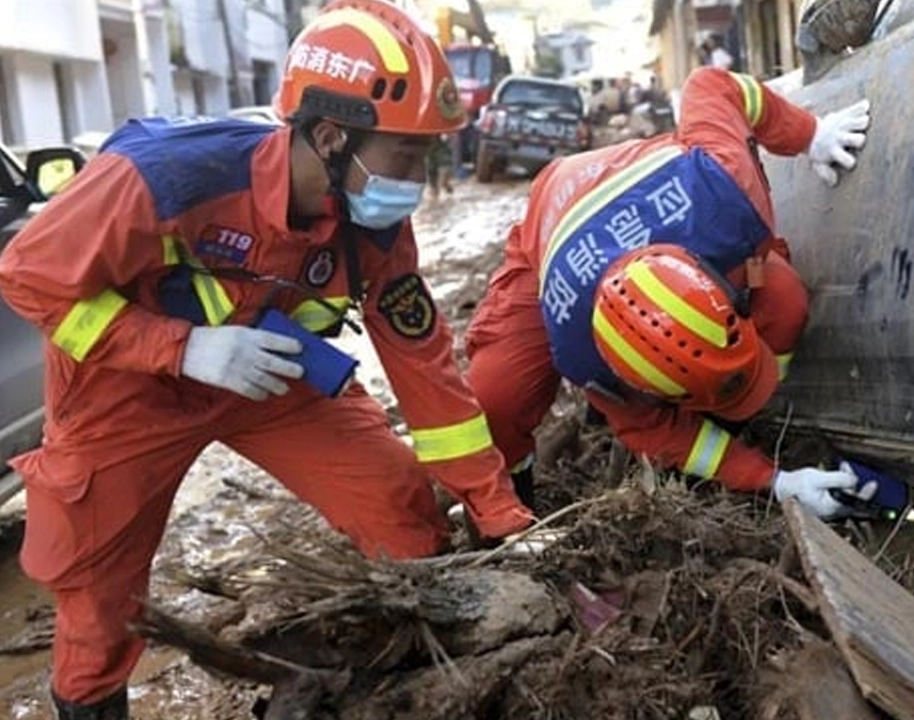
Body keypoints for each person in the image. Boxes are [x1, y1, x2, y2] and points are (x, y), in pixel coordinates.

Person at [0, 1, 533, 717]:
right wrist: (182, 347)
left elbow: (424, 365)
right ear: (330, 135)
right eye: (407, 156)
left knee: (401, 509)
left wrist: (500, 514)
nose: (419, 176)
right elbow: (29, 279)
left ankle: (403, 684)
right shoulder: (163, 178)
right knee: (98, 606)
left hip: (270, 375)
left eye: (428, 155)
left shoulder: (374, 225)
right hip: (124, 394)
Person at [464, 66, 876, 523]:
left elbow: (711, 84)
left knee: (784, 300)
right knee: (497, 398)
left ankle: (747, 417)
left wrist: (809, 133)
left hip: (658, 193)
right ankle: (506, 507)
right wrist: (770, 480)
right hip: (549, 232)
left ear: (723, 291)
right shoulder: (584, 354)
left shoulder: (726, 187)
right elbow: (657, 431)